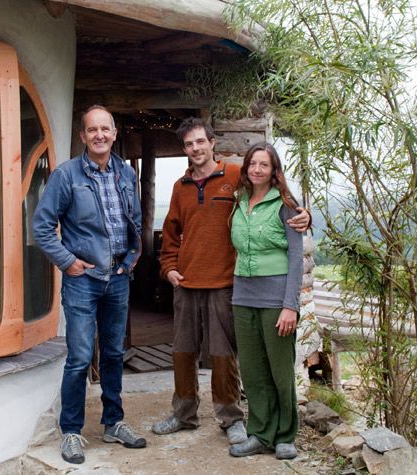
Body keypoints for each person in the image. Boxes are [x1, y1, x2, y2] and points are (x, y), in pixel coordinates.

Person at [153, 118, 310, 446]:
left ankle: (230, 416)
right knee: (182, 351)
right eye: (189, 144)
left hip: (226, 282)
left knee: (223, 354)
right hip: (187, 281)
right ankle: (183, 413)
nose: (195, 148)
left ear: (213, 143)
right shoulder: (180, 187)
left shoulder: (236, 175)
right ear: (185, 149)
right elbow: (170, 233)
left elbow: (273, 187)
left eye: (200, 142)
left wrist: (301, 212)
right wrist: (169, 268)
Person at [33, 105, 146, 465]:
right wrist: (68, 262)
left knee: (113, 355)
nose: (99, 135)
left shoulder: (126, 173)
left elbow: (135, 222)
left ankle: (114, 422)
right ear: (83, 136)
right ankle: (71, 431)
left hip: (118, 279)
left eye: (105, 129)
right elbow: (41, 227)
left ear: (114, 134)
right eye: (92, 130)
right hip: (83, 280)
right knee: (80, 358)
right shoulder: (66, 176)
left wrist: (131, 259)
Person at [228, 142, 304, 460]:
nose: (257, 169)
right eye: (252, 164)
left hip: (276, 300)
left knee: (280, 370)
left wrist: (291, 305)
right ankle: (259, 432)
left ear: (274, 170)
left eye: (264, 164)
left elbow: (297, 257)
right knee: (253, 371)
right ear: (246, 168)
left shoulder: (286, 203)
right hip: (243, 297)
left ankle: (285, 435)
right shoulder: (239, 200)